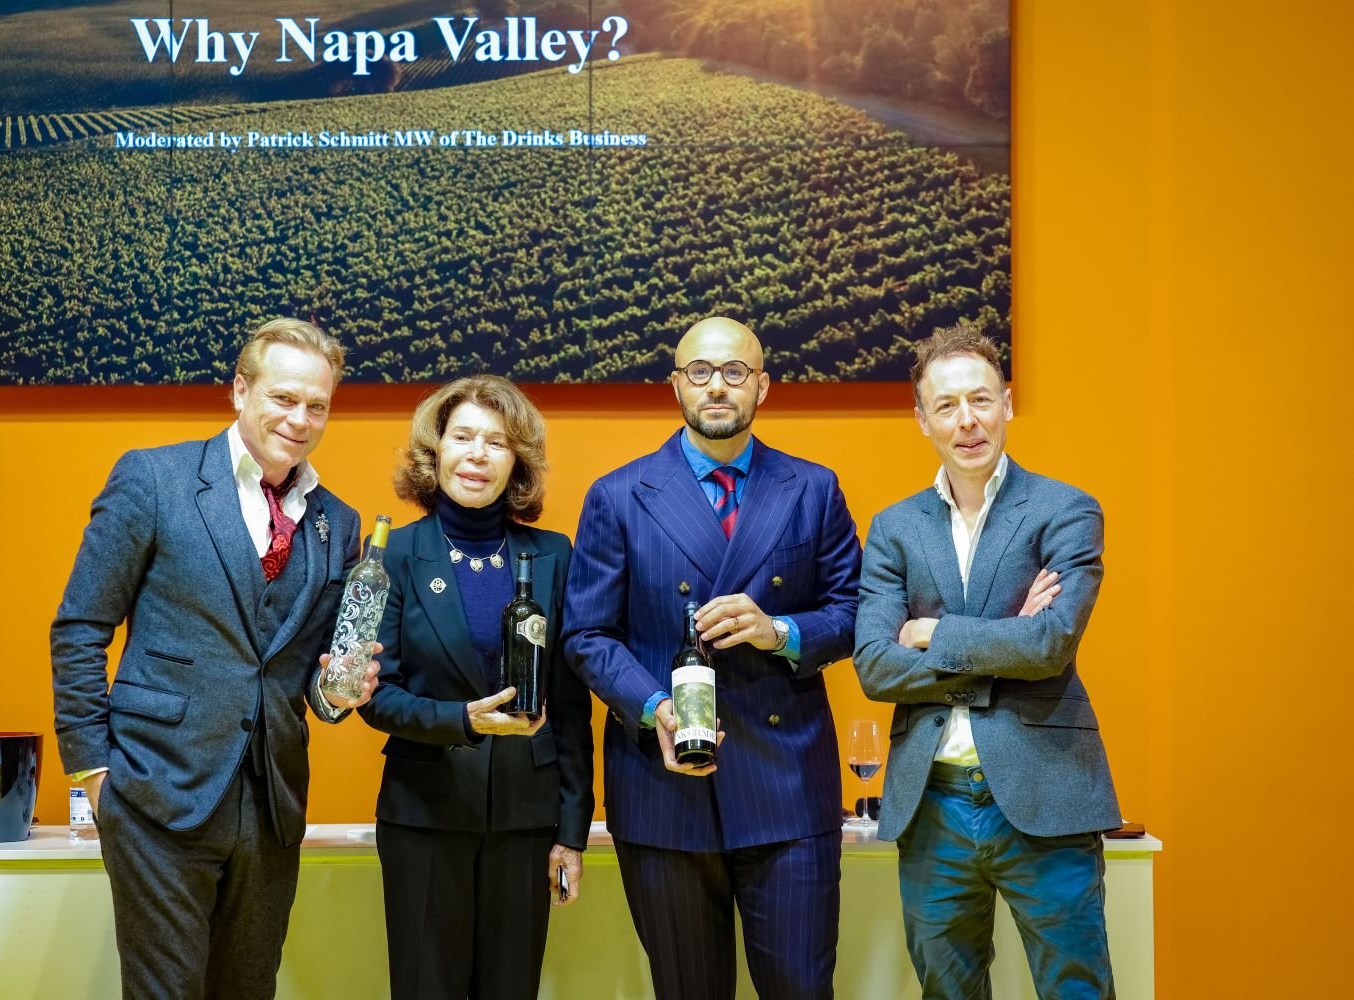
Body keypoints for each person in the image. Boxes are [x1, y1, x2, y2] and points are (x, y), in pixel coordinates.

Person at [50, 318, 378, 999]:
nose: (300, 419)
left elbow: (310, 680)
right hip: (155, 794)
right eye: (283, 398)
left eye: (317, 405)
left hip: (273, 807)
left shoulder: (339, 523)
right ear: (239, 391)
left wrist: (338, 695)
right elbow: (80, 627)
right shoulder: (153, 479)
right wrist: (93, 772)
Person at [563, 316, 862, 1000]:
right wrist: (655, 709)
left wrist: (777, 630)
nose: (717, 386)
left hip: (789, 791)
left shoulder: (813, 488)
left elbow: (854, 613)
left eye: (734, 372)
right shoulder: (619, 495)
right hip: (663, 789)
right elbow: (587, 634)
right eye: (700, 372)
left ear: (763, 385)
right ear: (676, 385)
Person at [854, 323, 1120, 999]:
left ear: (1006, 402)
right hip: (932, 806)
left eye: (980, 399)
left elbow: (1050, 644)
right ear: (923, 420)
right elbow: (875, 667)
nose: (966, 420)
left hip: (1047, 793)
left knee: (1077, 990)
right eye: (946, 405)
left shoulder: (1066, 510)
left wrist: (929, 633)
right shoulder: (894, 528)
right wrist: (1006, 636)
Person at [358, 374, 594, 1000]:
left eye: (497, 442)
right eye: (463, 437)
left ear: (517, 462)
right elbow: (374, 695)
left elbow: (573, 711)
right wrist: (462, 721)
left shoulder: (554, 555)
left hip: (527, 821)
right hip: (424, 817)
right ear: (435, 450)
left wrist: (572, 833)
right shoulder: (392, 555)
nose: (478, 454)